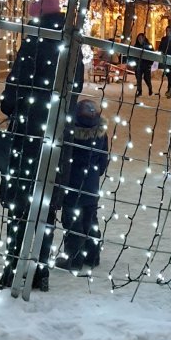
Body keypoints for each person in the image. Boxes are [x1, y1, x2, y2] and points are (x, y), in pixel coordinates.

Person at [0, 0, 84, 291]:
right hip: (57, 136)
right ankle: (40, 272)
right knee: (46, 207)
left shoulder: (33, 42)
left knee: (21, 206)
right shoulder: (72, 44)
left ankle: (13, 268)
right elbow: (75, 88)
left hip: (28, 135)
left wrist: (9, 104)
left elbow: (14, 89)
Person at [58, 98, 109, 273]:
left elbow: (63, 159)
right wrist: (95, 174)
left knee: (73, 222)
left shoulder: (69, 134)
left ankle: (74, 259)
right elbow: (103, 159)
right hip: (92, 184)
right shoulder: (101, 134)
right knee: (90, 220)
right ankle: (93, 256)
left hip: (72, 184)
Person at [129, 32, 153, 97]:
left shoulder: (148, 46)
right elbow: (133, 54)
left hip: (146, 65)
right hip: (138, 65)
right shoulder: (136, 46)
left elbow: (152, 55)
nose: (140, 40)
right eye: (139, 38)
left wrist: (150, 63)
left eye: (141, 38)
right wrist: (133, 62)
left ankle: (150, 88)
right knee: (138, 78)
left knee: (147, 78)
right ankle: (139, 91)